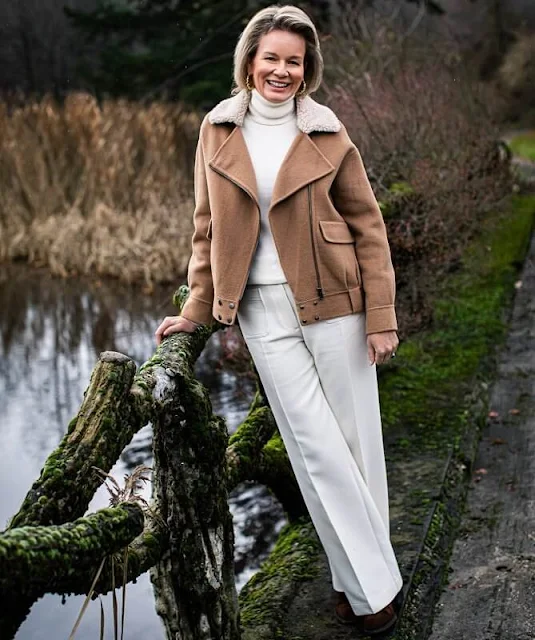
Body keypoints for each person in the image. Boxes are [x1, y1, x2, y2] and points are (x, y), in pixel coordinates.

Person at [155, 4, 402, 635]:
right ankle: (377, 588)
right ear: (249, 61)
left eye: (294, 61)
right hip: (262, 310)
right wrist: (195, 310)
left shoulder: (325, 130)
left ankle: (358, 583)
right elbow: (205, 228)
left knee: (355, 444)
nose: (282, 71)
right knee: (314, 449)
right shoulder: (217, 130)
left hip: (335, 303)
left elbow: (368, 225)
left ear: (307, 68)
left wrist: (382, 315)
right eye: (272, 58)